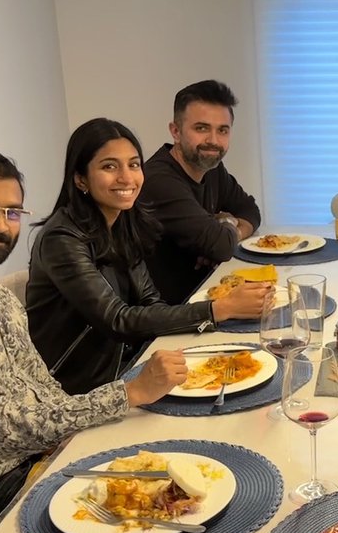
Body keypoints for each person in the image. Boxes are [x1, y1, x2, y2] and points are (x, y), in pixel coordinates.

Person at [0, 148, 191, 533]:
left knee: (175, 478)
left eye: (13, 212)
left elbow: (46, 389)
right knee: (163, 525)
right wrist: (127, 394)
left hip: (48, 455)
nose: (1, 225)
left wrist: (94, 426)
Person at [28, 117, 270, 395]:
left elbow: (150, 302)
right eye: (109, 166)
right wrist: (219, 309)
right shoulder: (61, 239)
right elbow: (118, 320)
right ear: (80, 178)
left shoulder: (123, 222)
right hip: (77, 389)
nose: (126, 178)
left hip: (130, 368)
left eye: (133, 164)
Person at [141, 80, 264, 303]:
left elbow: (250, 211)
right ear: (175, 131)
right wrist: (227, 226)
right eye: (201, 128)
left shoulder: (211, 167)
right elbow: (221, 246)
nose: (213, 141)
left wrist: (226, 231)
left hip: (205, 296)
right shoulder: (158, 181)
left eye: (222, 130)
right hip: (169, 315)